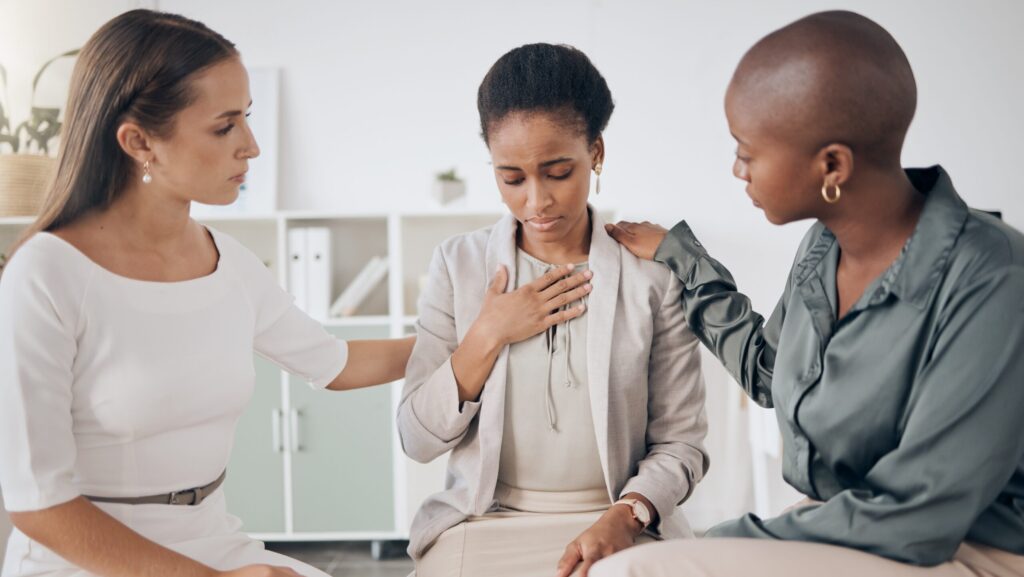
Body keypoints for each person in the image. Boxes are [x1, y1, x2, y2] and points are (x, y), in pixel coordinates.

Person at [0, 9, 513, 577]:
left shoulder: (228, 263)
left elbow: (336, 363)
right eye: (224, 127)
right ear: (139, 141)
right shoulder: (44, 276)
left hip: (215, 542)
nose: (251, 147)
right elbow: (38, 505)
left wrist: (480, 335)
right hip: (88, 562)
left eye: (245, 118)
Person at [594, 10, 1024, 577]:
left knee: (638, 571)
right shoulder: (825, 247)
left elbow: (919, 516)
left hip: (966, 546)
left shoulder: (994, 280)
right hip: (850, 524)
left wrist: (727, 538)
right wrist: (681, 258)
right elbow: (773, 373)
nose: (736, 169)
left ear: (832, 165)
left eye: (747, 151)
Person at [398, 43, 709, 577]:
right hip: (484, 522)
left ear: (597, 152)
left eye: (558, 171)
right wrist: (488, 333)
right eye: (512, 178)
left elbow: (681, 443)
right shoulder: (459, 265)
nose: (536, 202)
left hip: (618, 524)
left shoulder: (652, 276)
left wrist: (627, 514)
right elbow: (417, 438)